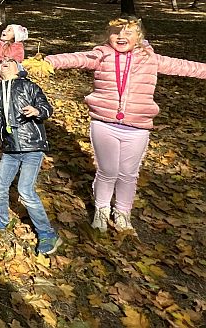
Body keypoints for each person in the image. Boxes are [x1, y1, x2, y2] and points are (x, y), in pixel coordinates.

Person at [32, 16, 206, 232]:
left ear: (139, 36)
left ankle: (123, 212)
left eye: (128, 32)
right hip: (104, 125)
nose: (121, 36)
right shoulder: (101, 55)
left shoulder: (151, 59)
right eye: (116, 32)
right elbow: (76, 58)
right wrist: (47, 62)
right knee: (107, 171)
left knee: (128, 174)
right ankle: (102, 209)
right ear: (108, 35)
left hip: (138, 128)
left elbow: (185, 66)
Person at [0, 58, 60, 255]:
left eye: (9, 61)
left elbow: (47, 108)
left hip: (32, 146)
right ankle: (1, 218)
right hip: (10, 149)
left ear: (19, 68)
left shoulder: (29, 86)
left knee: (25, 190)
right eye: (0, 62)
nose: (3, 63)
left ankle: (47, 233)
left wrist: (37, 111)